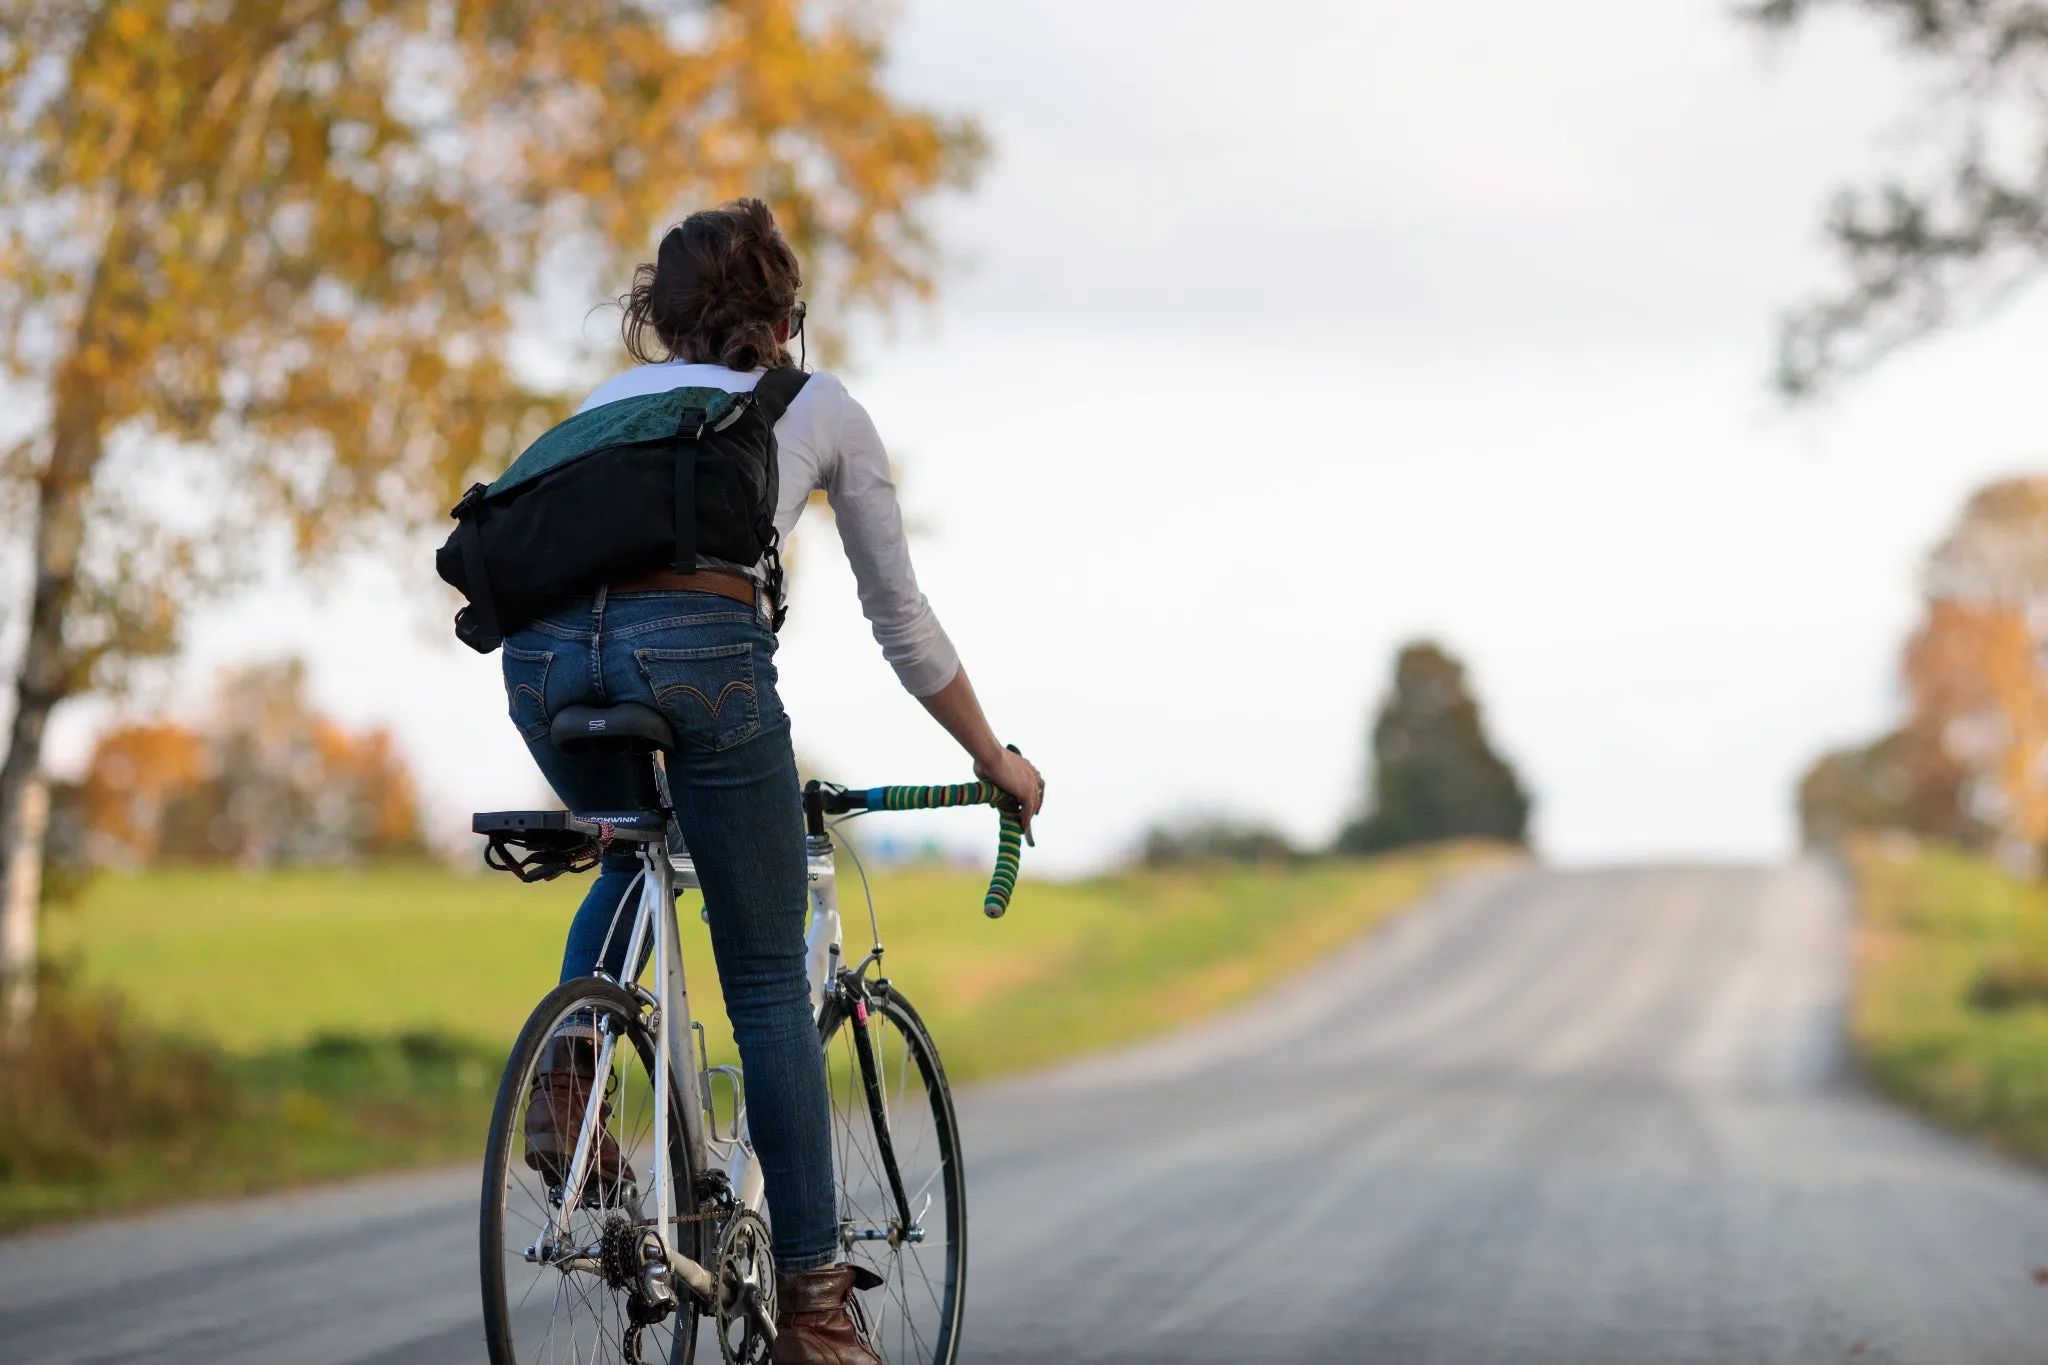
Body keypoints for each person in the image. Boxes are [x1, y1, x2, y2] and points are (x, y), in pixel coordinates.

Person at [499, 198, 1044, 1364]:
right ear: (789, 317)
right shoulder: (817, 402)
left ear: (661, 316)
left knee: (634, 834)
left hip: (542, 672)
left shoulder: (598, 410)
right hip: (700, 663)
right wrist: (990, 758)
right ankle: (814, 1312)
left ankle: (568, 1076)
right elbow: (899, 619)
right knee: (761, 975)